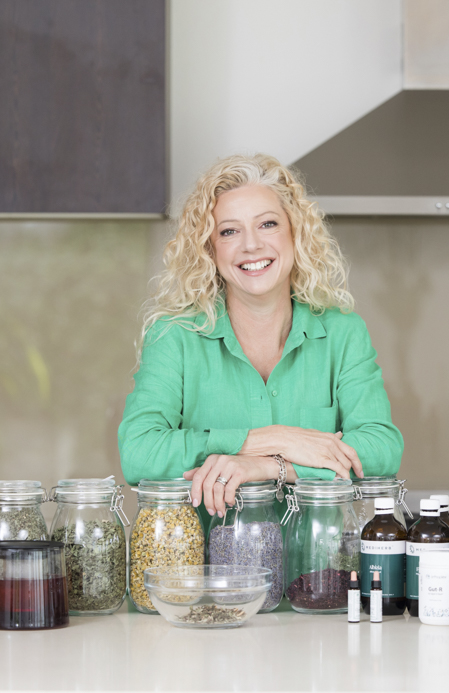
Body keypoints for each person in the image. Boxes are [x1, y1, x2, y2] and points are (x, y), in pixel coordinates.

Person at [118, 154, 403, 517]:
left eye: (267, 224)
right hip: (206, 568)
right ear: (210, 249)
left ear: (295, 234)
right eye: (229, 231)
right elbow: (140, 452)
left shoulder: (342, 332)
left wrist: (271, 467)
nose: (251, 245)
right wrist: (276, 439)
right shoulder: (175, 336)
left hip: (322, 564)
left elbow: (381, 446)